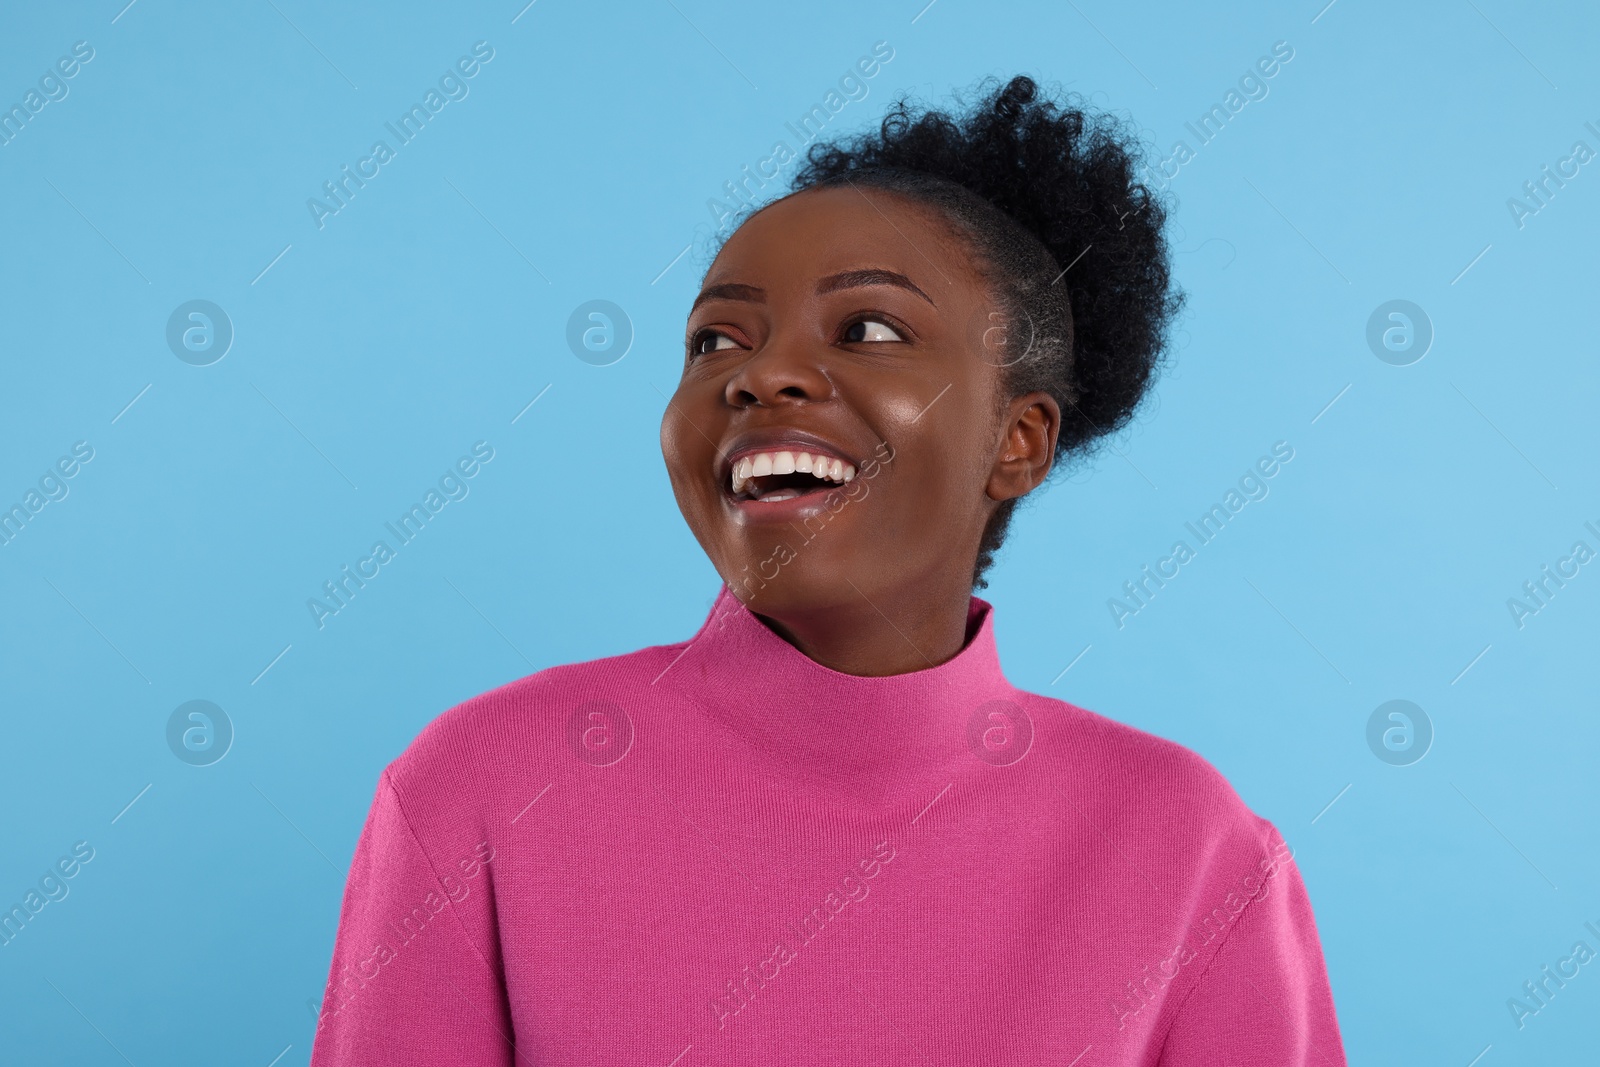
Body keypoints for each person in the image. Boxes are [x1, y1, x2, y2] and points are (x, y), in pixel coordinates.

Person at [309, 75, 1347, 1065]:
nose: (760, 374)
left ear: (1016, 441)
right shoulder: (483, 784)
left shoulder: (1187, 846)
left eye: (869, 329)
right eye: (716, 340)